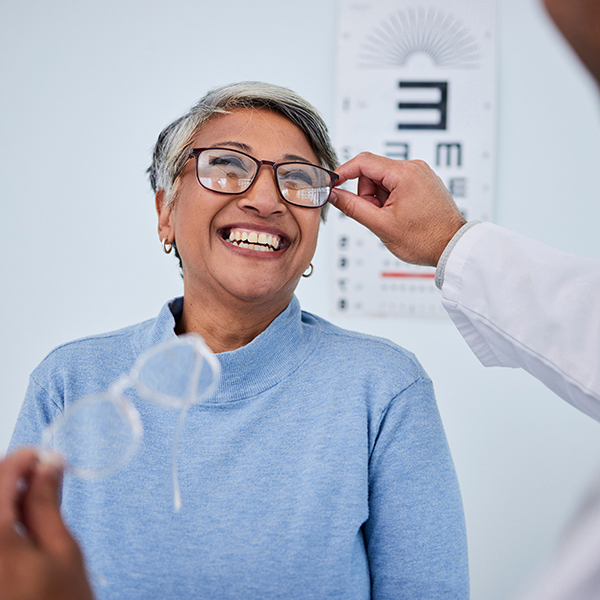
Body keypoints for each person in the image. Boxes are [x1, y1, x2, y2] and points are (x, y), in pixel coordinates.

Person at [6, 82, 468, 600]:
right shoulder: (70, 380)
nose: (266, 200)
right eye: (227, 166)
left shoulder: (384, 388)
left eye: (297, 179)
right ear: (166, 213)